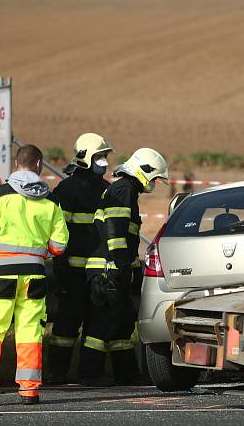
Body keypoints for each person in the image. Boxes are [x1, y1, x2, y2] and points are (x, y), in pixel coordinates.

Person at [0, 144, 68, 406]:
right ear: (39, 165)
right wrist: (40, 253)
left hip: (0, 274)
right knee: (30, 331)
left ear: (17, 163)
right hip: (35, 275)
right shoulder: (50, 201)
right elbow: (60, 245)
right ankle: (29, 390)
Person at [81, 148, 168, 384]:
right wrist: (121, 265)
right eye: (154, 177)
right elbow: (115, 231)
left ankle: (125, 373)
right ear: (144, 171)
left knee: (120, 324)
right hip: (107, 269)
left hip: (114, 267)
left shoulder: (125, 190)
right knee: (100, 326)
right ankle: (90, 374)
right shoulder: (123, 190)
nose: (154, 183)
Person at [46, 133, 113, 384]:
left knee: (96, 328)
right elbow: (58, 230)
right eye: (99, 156)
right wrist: (60, 267)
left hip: (97, 272)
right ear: (85, 158)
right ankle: (59, 373)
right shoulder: (67, 189)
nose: (104, 161)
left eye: (105, 156)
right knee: (66, 327)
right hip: (73, 273)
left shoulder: (107, 190)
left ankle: (89, 372)